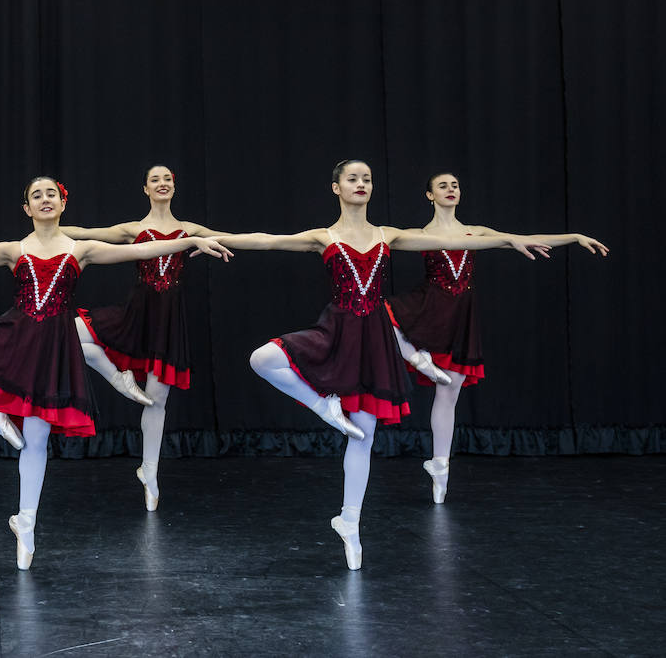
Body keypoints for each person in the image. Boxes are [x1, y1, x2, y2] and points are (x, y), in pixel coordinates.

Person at [0, 176, 230, 569]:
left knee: (36, 441)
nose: (44, 199)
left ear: (62, 203)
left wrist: (191, 241)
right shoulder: (14, 249)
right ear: (27, 208)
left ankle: (26, 524)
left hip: (52, 351)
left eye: (50, 193)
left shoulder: (81, 248)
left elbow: (147, 249)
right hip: (15, 335)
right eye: (36, 195)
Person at [215, 160, 548, 570]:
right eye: (353, 178)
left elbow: (468, 240)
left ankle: (350, 523)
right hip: (336, 329)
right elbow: (265, 241)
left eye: (367, 179)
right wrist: (200, 237)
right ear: (335, 187)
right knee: (263, 358)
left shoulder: (387, 235)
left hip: (372, 339)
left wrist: (513, 241)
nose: (361, 184)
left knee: (363, 436)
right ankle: (325, 407)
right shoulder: (323, 236)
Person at [388, 171, 609, 504]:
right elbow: (378, 242)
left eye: (455, 185)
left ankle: (440, 465)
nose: (451, 190)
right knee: (377, 314)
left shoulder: (477, 231)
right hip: (430, 307)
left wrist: (574, 236)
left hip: (461, 316)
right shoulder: (418, 234)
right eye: (443, 186)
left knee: (449, 393)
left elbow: (524, 237)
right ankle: (417, 357)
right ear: (429, 195)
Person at [64, 164, 225, 511]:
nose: (163, 183)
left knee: (157, 399)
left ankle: (149, 471)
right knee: (68, 332)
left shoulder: (190, 229)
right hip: (137, 313)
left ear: (174, 186)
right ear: (146, 189)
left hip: (169, 321)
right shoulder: (134, 229)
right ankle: (117, 378)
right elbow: (87, 232)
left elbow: (230, 237)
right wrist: (48, 227)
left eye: (168, 178)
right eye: (156, 180)